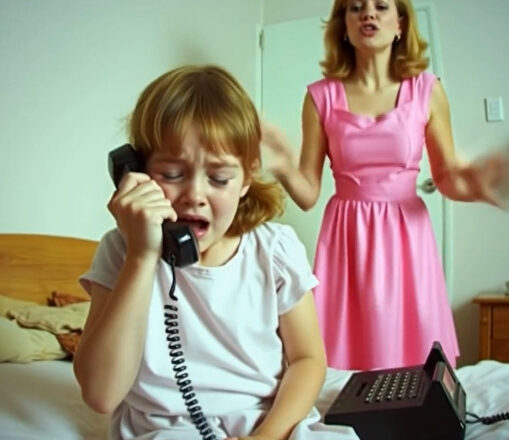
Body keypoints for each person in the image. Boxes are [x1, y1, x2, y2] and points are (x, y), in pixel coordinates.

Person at [74, 65, 359, 440]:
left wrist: (266, 437)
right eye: (171, 174)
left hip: (267, 423)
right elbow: (101, 395)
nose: (195, 195)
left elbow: (308, 359)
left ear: (246, 178)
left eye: (219, 178)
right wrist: (142, 257)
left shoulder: (273, 249)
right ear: (136, 173)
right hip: (169, 428)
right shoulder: (122, 251)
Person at [261, 0, 507, 371]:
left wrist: (485, 186)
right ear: (344, 26)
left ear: (400, 24)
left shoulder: (428, 90)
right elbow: (308, 194)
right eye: (356, 7)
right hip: (347, 236)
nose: (368, 13)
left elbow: (447, 177)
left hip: (407, 235)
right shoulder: (319, 97)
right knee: (345, 357)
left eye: (381, 6)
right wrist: (281, 164)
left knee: (416, 358)